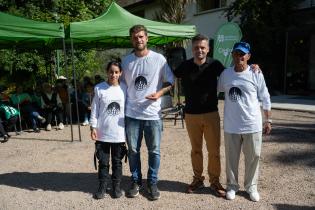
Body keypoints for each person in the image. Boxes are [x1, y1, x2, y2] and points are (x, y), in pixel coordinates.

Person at [121, 24, 174, 200]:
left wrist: (158, 93)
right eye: (135, 37)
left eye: (141, 36)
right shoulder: (126, 61)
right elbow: (120, 85)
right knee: (133, 151)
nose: (139, 40)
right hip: (132, 114)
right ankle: (136, 182)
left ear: (147, 38)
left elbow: (170, 82)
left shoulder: (159, 59)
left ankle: (152, 183)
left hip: (152, 114)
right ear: (131, 39)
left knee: (154, 151)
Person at [217, 41, 272, 202]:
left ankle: (251, 187)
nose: (239, 56)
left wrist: (268, 120)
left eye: (242, 54)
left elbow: (265, 97)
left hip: (252, 124)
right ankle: (232, 186)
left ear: (248, 56)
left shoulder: (256, 73)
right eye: (236, 53)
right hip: (231, 125)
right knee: (231, 159)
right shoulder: (226, 74)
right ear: (232, 55)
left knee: (253, 157)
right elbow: (216, 89)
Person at [174, 34, 226, 197]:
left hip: (211, 113)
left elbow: (233, 75)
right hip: (191, 115)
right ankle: (198, 179)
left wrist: (253, 68)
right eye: (196, 47)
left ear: (208, 49)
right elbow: (169, 75)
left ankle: (215, 181)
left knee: (214, 151)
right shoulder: (185, 66)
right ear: (192, 49)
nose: (199, 50)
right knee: (196, 150)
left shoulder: (215, 64)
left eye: (203, 47)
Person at [90, 61, 127, 199]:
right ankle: (102, 186)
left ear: (120, 73)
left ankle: (116, 186)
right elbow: (95, 110)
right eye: (111, 71)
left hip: (119, 133)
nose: (113, 74)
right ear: (107, 72)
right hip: (103, 133)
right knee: (103, 162)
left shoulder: (125, 88)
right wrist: (93, 127)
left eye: (116, 72)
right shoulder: (99, 88)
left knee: (117, 162)